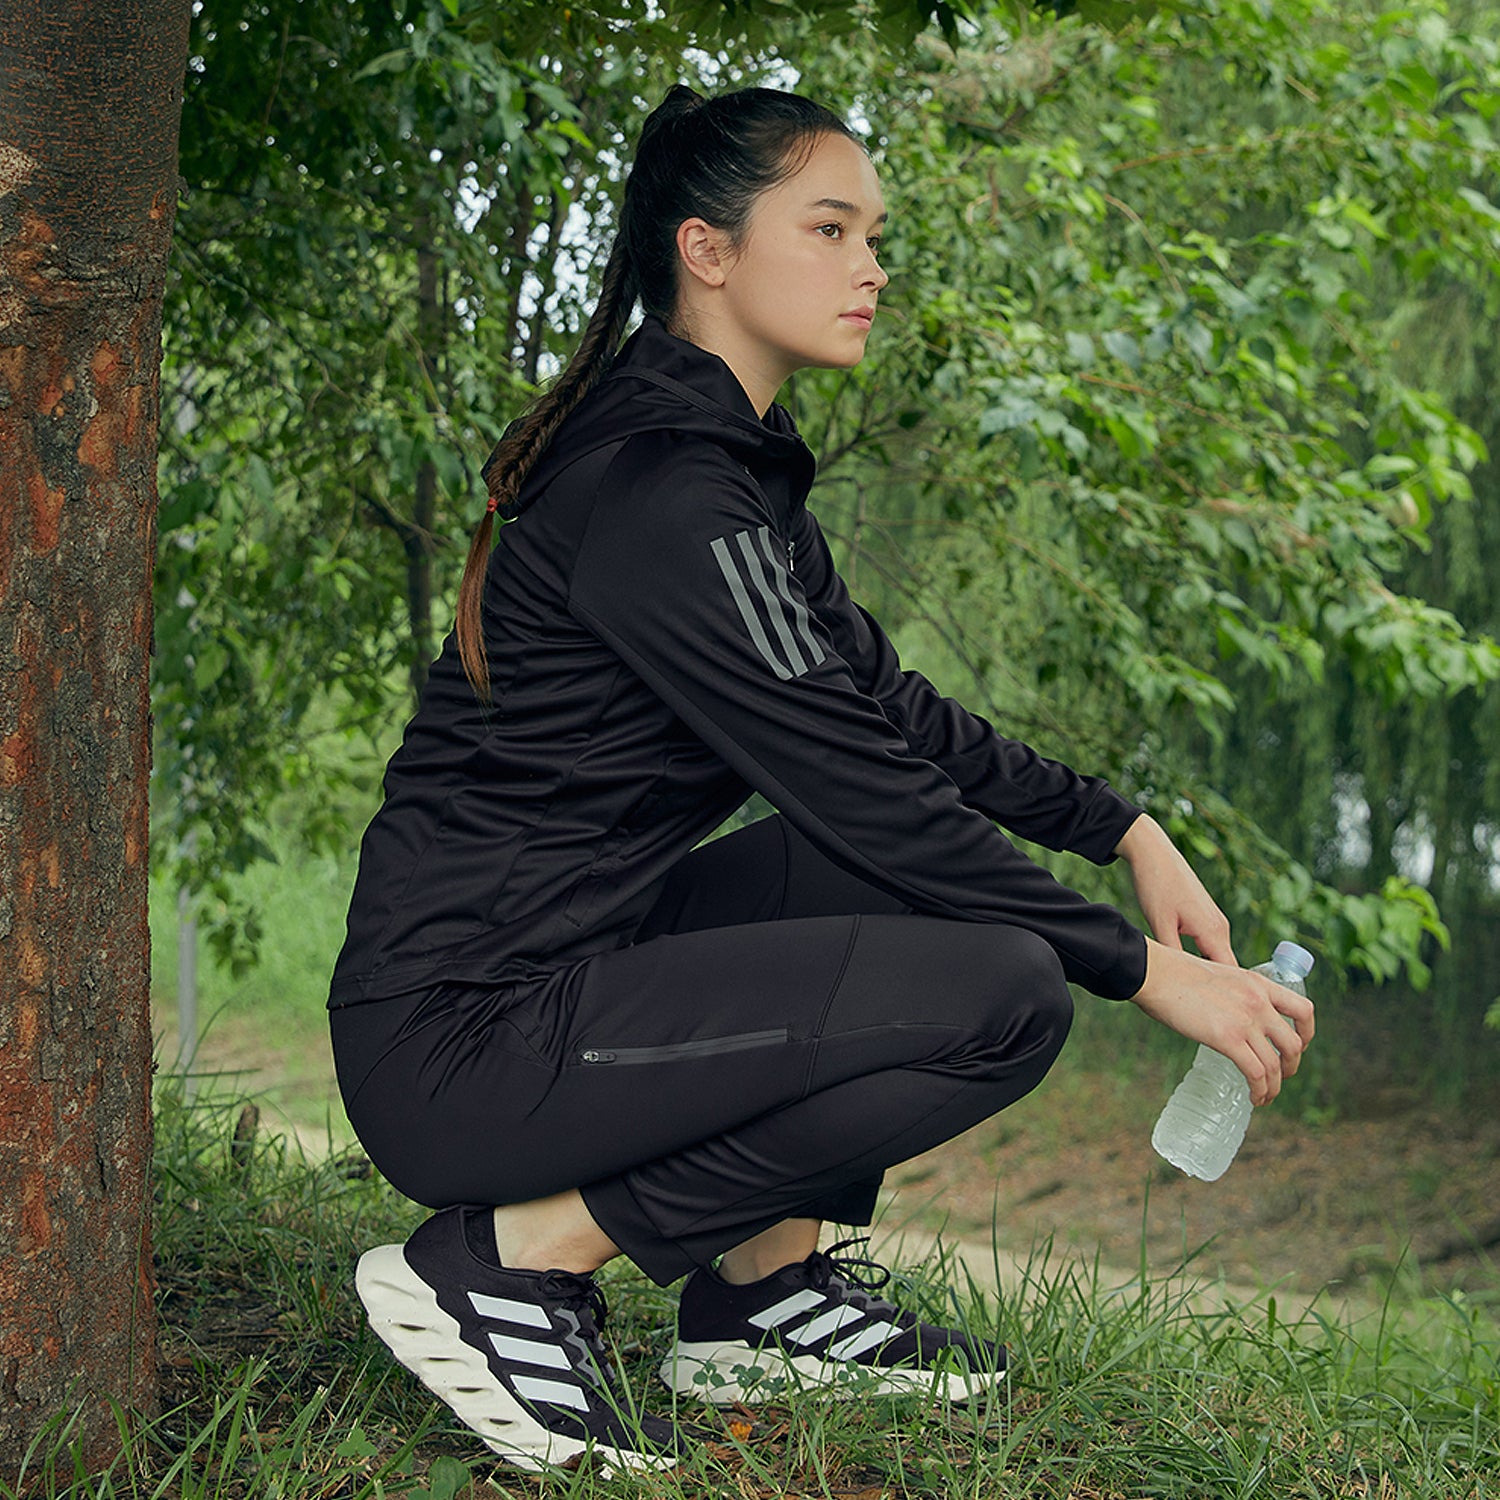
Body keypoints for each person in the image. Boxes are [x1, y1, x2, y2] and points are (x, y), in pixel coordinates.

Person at [328, 83, 1315, 1475]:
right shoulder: (663, 494)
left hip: (560, 981)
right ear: (708, 251)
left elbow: (891, 716)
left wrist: (1123, 826)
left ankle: (760, 1294)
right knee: (1009, 993)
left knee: (895, 890)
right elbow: (862, 788)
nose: (873, 267)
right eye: (832, 229)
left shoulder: (724, 474)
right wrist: (1145, 972)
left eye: (875, 236)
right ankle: (511, 1263)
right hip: (461, 1041)